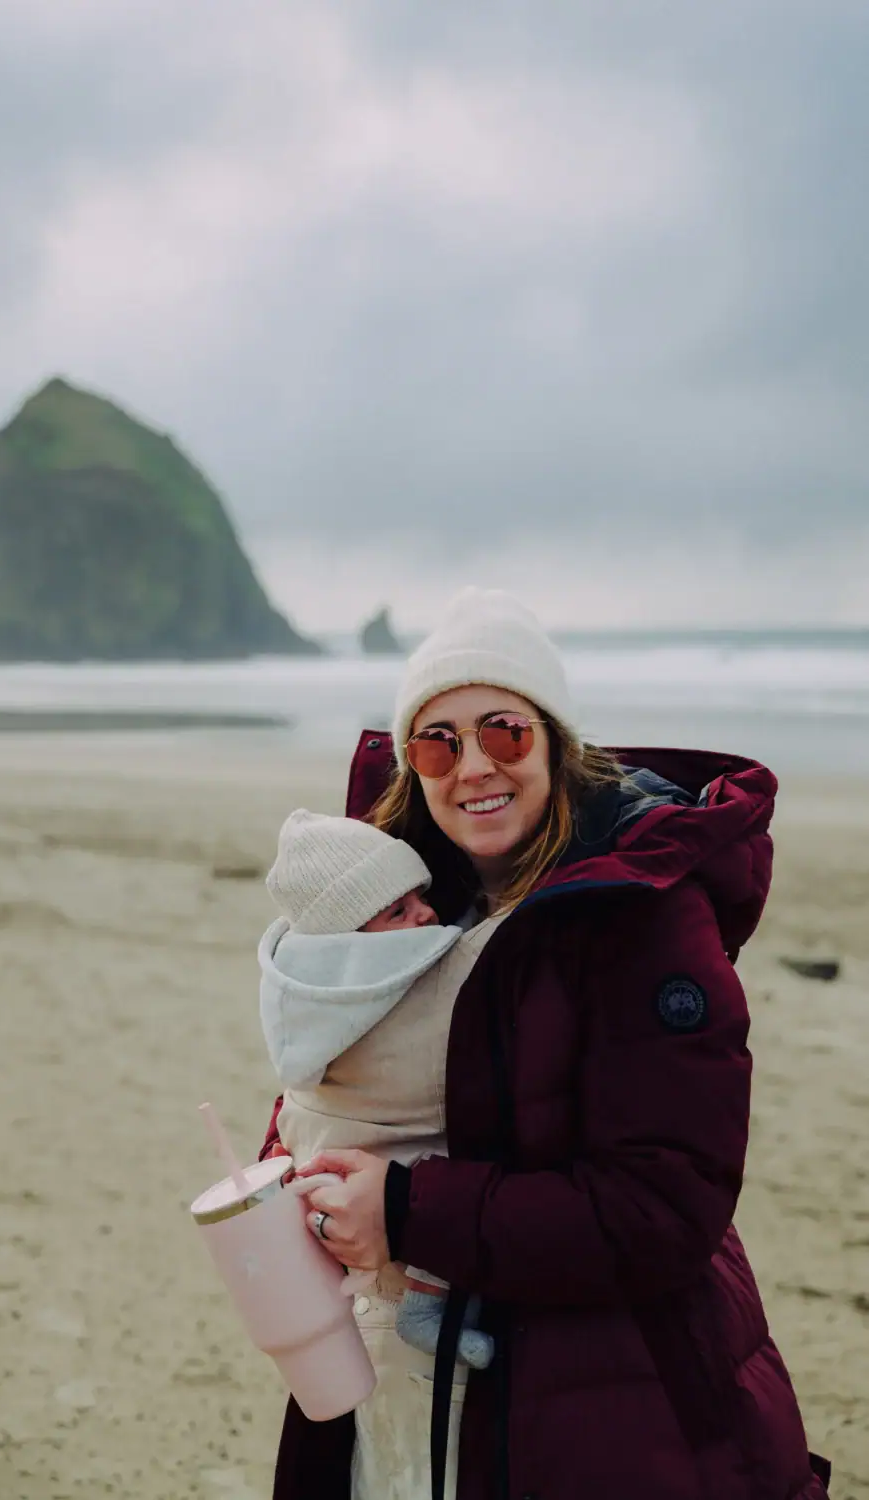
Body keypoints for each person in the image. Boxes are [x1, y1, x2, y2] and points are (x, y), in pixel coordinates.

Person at [261, 587, 831, 1500]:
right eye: (437, 742)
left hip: (607, 1400)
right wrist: (301, 1181)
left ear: (556, 743)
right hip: (399, 1393)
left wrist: (405, 1210)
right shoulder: (400, 905)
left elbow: (664, 1206)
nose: (473, 766)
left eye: (504, 732)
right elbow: (344, 1081)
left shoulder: (647, 920)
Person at [259, 807, 496, 1371]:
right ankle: (427, 1309)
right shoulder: (393, 976)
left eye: (420, 897)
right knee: (439, 1163)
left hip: (319, 1155)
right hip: (372, 1170)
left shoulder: (303, 992)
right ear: (350, 943)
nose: (426, 914)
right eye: (398, 912)